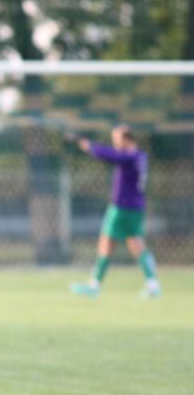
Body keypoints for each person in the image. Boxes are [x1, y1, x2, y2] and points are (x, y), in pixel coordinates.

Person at [71, 124, 162, 298]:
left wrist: (89, 146)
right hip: (136, 207)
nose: (115, 144)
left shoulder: (130, 156)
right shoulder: (140, 156)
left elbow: (109, 155)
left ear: (128, 139)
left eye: (117, 140)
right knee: (136, 244)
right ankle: (153, 283)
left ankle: (94, 285)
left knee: (106, 242)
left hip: (121, 208)